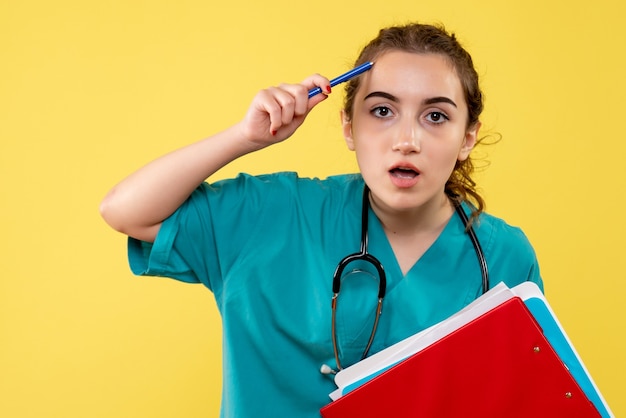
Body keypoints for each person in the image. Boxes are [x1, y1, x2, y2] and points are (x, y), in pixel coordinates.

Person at [100, 22, 543, 418]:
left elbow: (518, 399)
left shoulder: (504, 256)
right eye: (382, 111)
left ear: (468, 137)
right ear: (348, 127)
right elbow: (124, 210)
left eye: (435, 116)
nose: (407, 140)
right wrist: (244, 137)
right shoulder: (273, 214)